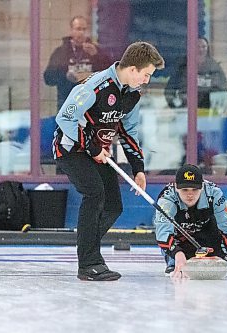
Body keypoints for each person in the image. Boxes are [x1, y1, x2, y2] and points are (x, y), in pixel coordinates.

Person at [54, 42, 165, 281]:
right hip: (71, 149)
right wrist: (93, 148)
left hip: (97, 153)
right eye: (146, 74)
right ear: (133, 69)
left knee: (114, 206)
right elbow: (65, 118)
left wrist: (138, 170)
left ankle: (88, 247)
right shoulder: (95, 86)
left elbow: (128, 132)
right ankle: (89, 263)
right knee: (94, 194)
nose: (146, 80)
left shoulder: (132, 94)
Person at [153, 164, 227, 278]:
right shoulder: (166, 199)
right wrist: (177, 254)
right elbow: (162, 232)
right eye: (185, 190)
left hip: (208, 234)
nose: (190, 194)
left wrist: (222, 257)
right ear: (176, 188)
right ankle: (173, 261)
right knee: (176, 261)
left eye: (195, 189)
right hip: (180, 237)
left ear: (202, 187)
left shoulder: (215, 194)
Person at [44, 16, 112, 110]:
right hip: (67, 102)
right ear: (71, 30)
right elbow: (48, 78)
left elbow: (110, 74)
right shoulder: (61, 52)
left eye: (84, 29)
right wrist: (65, 74)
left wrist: (96, 56)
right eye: (78, 29)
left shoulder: (96, 51)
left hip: (91, 105)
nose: (82, 33)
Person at [164, 37, 227, 109]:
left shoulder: (215, 68)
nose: (200, 50)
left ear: (208, 48)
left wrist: (219, 108)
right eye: (197, 47)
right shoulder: (182, 68)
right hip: (186, 112)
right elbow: (169, 90)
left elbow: (224, 91)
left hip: (209, 113)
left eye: (203, 47)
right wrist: (177, 106)